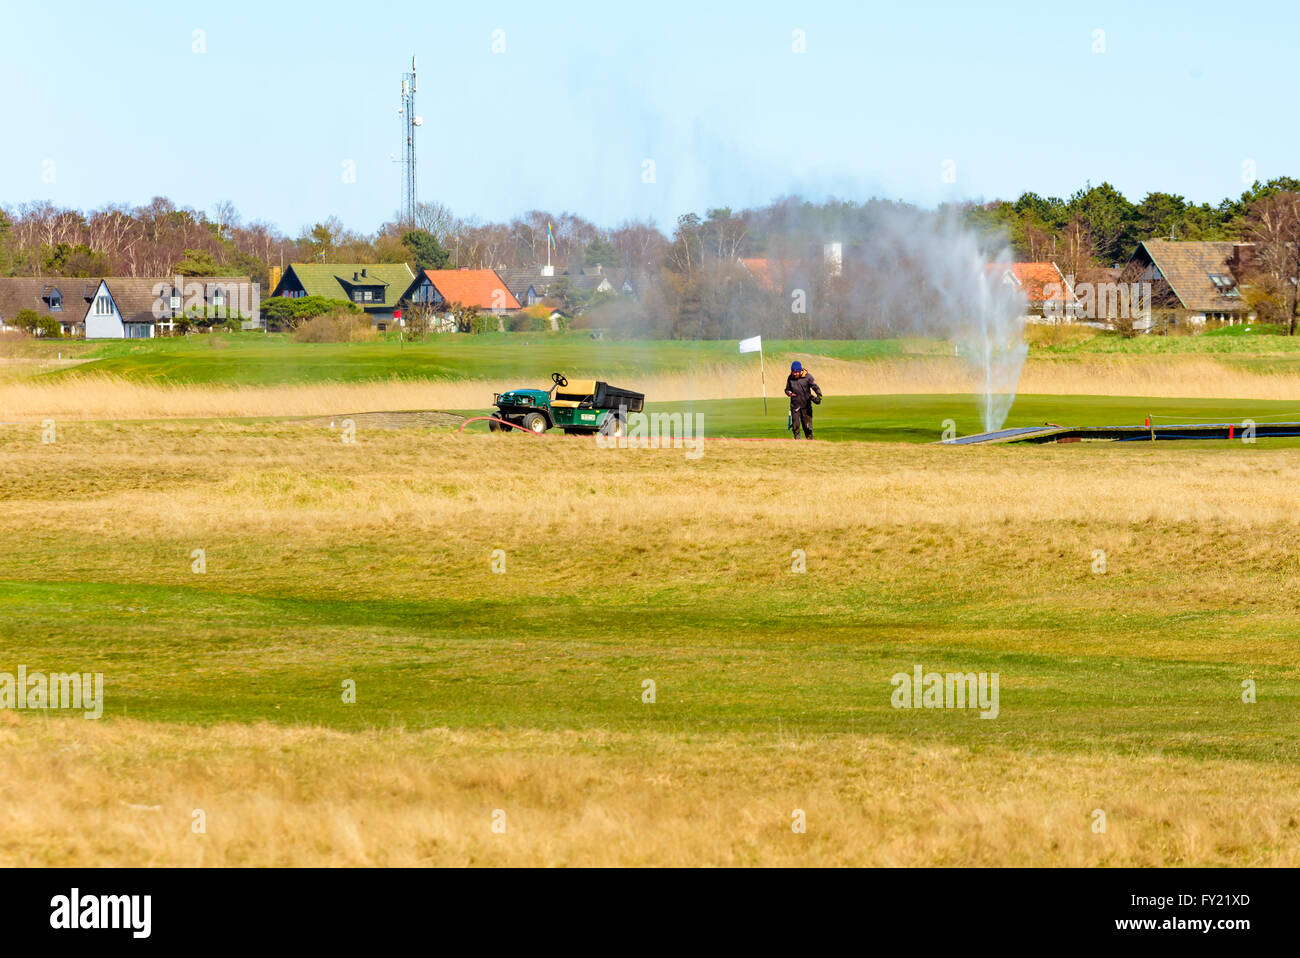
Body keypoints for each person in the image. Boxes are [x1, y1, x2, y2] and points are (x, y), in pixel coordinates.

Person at [784, 361, 822, 439]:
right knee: (795, 427)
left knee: (808, 428)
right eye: (792, 372)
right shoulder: (790, 377)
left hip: (806, 406)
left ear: (800, 371)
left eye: (795, 372)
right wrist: (789, 393)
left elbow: (815, 387)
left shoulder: (808, 377)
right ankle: (798, 444)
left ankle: (811, 443)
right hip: (795, 406)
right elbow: (787, 389)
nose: (794, 374)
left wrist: (819, 395)